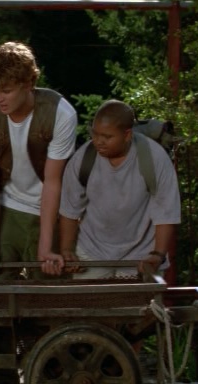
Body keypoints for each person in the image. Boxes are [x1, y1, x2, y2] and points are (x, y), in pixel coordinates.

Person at [0, 42, 77, 384]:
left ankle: (52, 370)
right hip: (6, 206)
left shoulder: (60, 113)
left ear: (29, 83)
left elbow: (54, 183)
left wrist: (45, 246)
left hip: (50, 208)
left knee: (50, 291)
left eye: (7, 90)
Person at [55, 99, 181, 280]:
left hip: (141, 252)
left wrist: (158, 254)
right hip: (92, 249)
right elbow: (70, 209)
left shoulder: (154, 158)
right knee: (89, 299)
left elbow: (166, 212)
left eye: (107, 137)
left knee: (135, 299)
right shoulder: (82, 159)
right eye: (95, 134)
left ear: (127, 135)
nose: (98, 141)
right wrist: (67, 250)